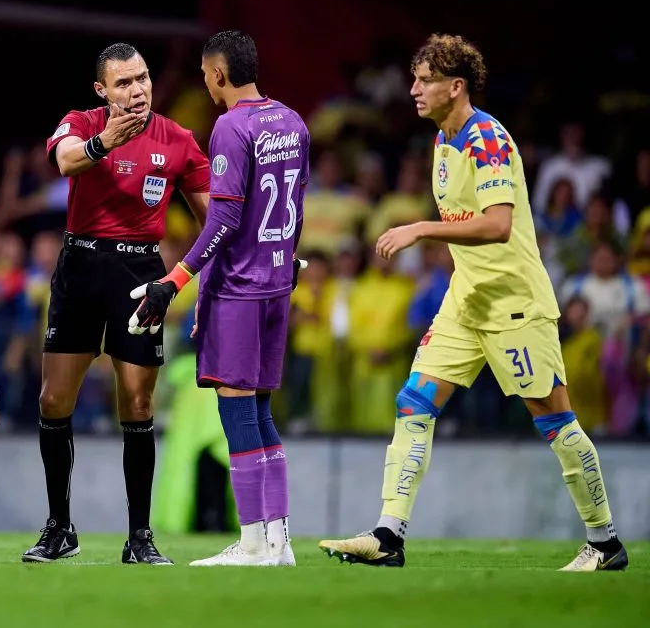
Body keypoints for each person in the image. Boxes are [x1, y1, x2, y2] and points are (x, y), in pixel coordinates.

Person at [318, 33, 628, 572]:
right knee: (414, 402)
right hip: (467, 300)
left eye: (425, 80)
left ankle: (604, 543)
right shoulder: (442, 140)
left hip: (515, 304)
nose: (413, 89)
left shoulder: (487, 138)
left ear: (455, 87)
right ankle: (389, 533)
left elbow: (498, 224)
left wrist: (421, 228)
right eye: (414, 78)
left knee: (555, 422)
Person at [21, 42, 210, 565]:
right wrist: (105, 141)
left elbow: (212, 222)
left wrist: (185, 278)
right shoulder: (81, 123)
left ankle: (140, 537)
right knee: (53, 402)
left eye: (143, 78)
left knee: (138, 403)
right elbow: (64, 162)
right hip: (79, 266)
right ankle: (60, 528)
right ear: (102, 91)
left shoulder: (177, 139)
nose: (138, 89)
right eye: (124, 82)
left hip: (139, 273)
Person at [129, 30, 309, 566]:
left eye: (207, 76)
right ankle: (278, 541)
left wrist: (175, 281)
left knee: (237, 412)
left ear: (217, 74)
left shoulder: (232, 127)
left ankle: (253, 542)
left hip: (240, 288)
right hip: (278, 283)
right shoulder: (293, 122)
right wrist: (289, 261)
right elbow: (296, 205)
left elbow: (224, 218)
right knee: (260, 410)